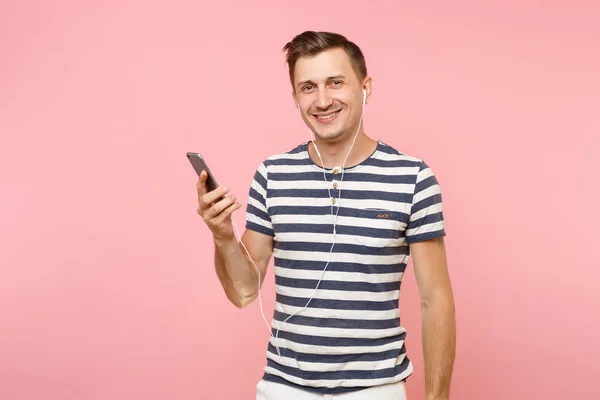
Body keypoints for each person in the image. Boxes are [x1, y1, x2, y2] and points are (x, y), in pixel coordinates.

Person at [196, 31, 456, 400]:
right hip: (283, 388)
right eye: (308, 87)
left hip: (375, 389)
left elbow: (435, 299)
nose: (322, 100)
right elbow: (243, 292)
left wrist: (438, 397)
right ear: (295, 97)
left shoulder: (413, 178)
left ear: (365, 88)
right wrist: (222, 236)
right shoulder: (272, 174)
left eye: (336, 82)